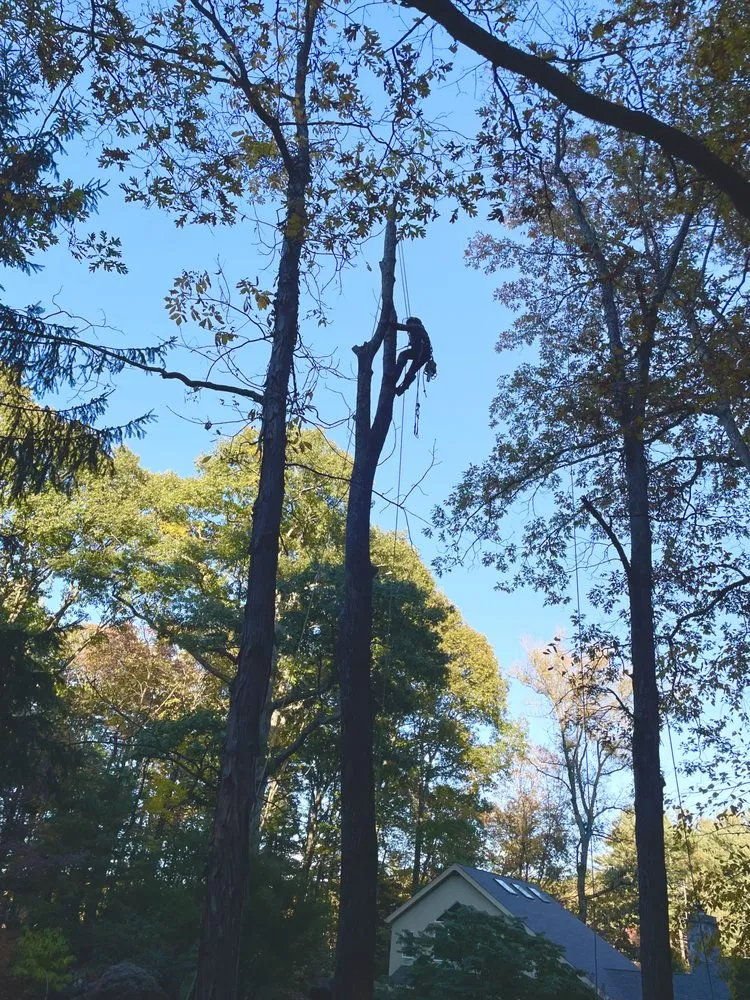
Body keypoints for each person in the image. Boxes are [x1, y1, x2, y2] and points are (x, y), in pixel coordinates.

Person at [393, 316, 436, 395]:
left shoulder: (416, 327)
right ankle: (401, 389)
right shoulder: (419, 331)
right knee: (411, 371)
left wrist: (390, 324)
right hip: (424, 354)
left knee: (403, 355)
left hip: (420, 352)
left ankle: (395, 374)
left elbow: (402, 327)